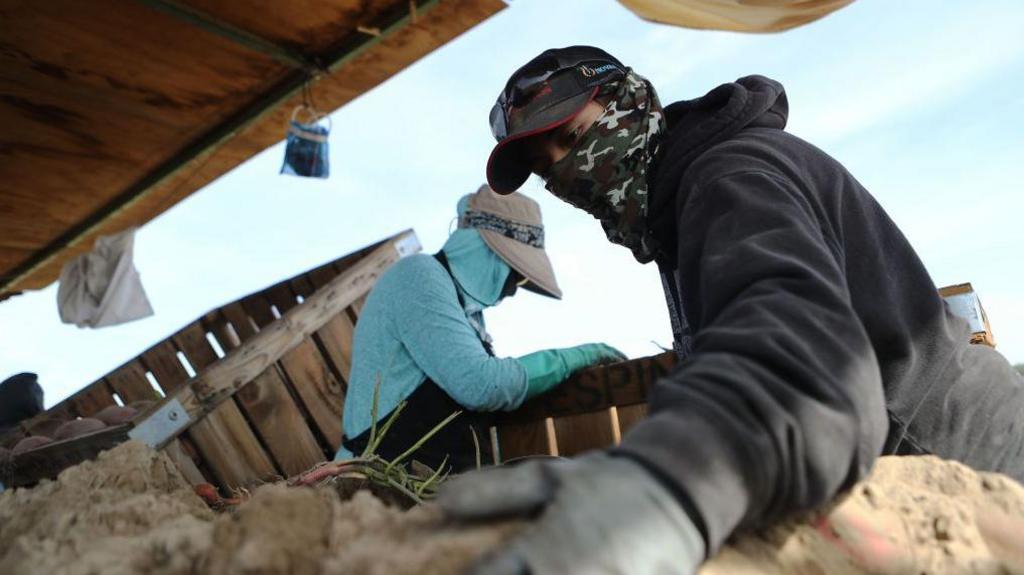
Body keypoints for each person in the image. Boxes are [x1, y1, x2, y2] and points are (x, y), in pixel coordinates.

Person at [437, 46, 1024, 574]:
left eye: (571, 138)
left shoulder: (730, 179)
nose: (568, 174)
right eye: (547, 169)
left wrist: (671, 482)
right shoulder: (684, 210)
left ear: (631, 101)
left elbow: (803, 364)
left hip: (976, 468)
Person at [335, 185, 625, 471]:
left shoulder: (463, 311)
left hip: (434, 480)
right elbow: (481, 385)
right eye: (516, 274)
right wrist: (571, 359)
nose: (513, 290)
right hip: (379, 479)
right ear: (485, 251)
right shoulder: (418, 277)